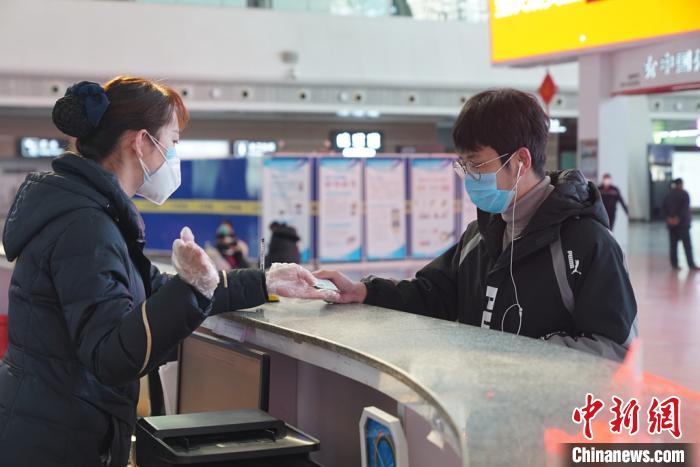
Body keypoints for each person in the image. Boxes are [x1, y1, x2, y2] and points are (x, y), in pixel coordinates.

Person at [0, 78, 329, 467]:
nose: (173, 155)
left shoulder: (91, 212)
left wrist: (263, 282)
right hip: (56, 440)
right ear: (141, 141)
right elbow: (111, 356)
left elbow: (155, 290)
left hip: (53, 424)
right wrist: (192, 288)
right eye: (172, 141)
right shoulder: (86, 225)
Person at [301, 89, 638, 362]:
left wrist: (519, 359)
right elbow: (433, 295)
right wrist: (364, 291)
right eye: (464, 165)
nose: (470, 177)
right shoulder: (482, 234)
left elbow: (612, 346)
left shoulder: (585, 243)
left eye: (477, 165)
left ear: (521, 160)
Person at [662, 178, 698, 271]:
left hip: (672, 226)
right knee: (687, 246)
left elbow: (663, 208)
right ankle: (691, 264)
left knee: (673, 246)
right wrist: (678, 219)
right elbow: (684, 209)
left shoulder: (668, 195)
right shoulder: (685, 194)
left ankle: (674, 265)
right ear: (681, 184)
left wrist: (669, 219)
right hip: (683, 225)